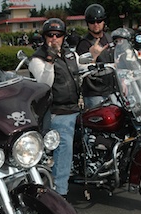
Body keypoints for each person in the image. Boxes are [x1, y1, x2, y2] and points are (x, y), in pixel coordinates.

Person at [28, 18, 101, 197]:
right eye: (50, 35)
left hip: (75, 107)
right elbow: (45, 83)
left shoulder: (69, 54)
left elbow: (81, 64)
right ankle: (59, 192)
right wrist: (50, 61)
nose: (54, 38)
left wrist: (96, 59)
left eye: (58, 35)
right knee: (65, 142)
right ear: (44, 37)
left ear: (63, 36)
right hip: (56, 112)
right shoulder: (37, 59)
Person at [76, 4, 117, 109]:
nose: (96, 24)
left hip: (113, 89)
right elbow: (81, 69)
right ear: (87, 24)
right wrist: (93, 56)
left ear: (104, 21)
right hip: (95, 93)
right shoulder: (84, 43)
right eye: (92, 22)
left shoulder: (109, 38)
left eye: (99, 21)